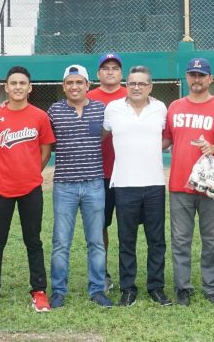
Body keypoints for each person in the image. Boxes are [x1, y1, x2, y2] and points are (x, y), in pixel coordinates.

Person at [0, 66, 55, 315]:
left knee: (33, 240)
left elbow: (45, 152)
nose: (18, 87)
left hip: (30, 187)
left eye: (23, 83)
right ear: (6, 87)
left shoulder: (40, 116)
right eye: (13, 83)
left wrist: (31, 170)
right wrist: (8, 170)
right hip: (1, 187)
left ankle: (39, 291)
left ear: (29, 88)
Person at [102, 66, 171, 307]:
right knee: (127, 239)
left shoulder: (160, 108)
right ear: (126, 85)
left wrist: (150, 149)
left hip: (154, 183)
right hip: (124, 183)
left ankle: (156, 287)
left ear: (150, 86)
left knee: (156, 240)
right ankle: (128, 288)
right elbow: (102, 135)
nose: (137, 87)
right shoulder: (113, 109)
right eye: (132, 83)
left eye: (142, 83)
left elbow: (169, 137)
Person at [164, 58, 214, 306]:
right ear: (187, 77)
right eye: (192, 74)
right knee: (181, 239)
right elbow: (166, 140)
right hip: (180, 184)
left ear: (211, 79)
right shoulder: (175, 107)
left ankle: (211, 287)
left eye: (202, 75)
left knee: (212, 238)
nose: (197, 79)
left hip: (211, 184)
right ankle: (183, 287)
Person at [48, 64, 114, 309]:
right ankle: (58, 290)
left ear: (88, 86)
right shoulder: (54, 111)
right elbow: (46, 137)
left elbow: (104, 135)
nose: (74, 87)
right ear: (64, 86)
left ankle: (97, 289)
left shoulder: (101, 109)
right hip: (64, 186)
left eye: (79, 82)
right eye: (69, 83)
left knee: (96, 240)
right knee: (61, 242)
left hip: (94, 184)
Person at [86, 53, 127, 293]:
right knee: (99, 226)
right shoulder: (88, 97)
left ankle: (126, 272)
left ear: (121, 73)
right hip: (97, 172)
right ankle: (101, 273)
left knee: (126, 226)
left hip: (126, 173)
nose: (110, 71)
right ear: (98, 73)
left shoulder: (131, 95)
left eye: (115, 68)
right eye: (105, 68)